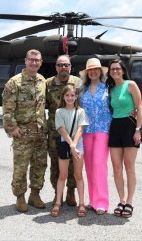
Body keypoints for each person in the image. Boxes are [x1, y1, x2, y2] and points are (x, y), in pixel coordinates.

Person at [2, 49, 47, 213]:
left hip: (40, 133)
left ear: (41, 62)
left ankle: (35, 195)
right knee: (21, 167)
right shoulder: (14, 83)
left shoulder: (42, 81)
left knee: (40, 165)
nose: (34, 63)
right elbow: (7, 110)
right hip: (22, 134)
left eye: (37, 60)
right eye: (31, 60)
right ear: (25, 61)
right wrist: (12, 128)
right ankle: (20, 197)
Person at [106, 59, 142, 218]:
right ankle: (121, 200)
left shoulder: (131, 84)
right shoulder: (111, 89)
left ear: (122, 70)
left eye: (117, 69)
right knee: (116, 167)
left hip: (129, 126)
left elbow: (140, 107)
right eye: (112, 69)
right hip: (115, 127)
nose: (114, 71)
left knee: (129, 166)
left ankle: (130, 201)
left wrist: (138, 129)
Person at [46, 55, 82, 206]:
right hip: (55, 133)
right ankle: (57, 194)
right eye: (60, 65)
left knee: (74, 163)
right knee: (56, 164)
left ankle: (71, 193)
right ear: (56, 67)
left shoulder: (78, 83)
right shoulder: (48, 84)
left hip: (74, 134)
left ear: (70, 66)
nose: (63, 68)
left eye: (66, 65)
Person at [79, 58, 112, 215]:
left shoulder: (107, 88)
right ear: (86, 73)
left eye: (96, 70)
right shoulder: (82, 90)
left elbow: (117, 105)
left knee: (99, 165)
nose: (93, 72)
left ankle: (102, 202)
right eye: (90, 70)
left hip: (103, 130)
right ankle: (92, 200)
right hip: (86, 131)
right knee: (90, 166)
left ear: (100, 72)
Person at [50, 85, 89, 217]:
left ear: (76, 96)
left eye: (73, 95)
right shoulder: (59, 111)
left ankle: (82, 203)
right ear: (63, 97)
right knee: (63, 175)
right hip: (65, 143)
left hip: (78, 145)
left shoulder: (81, 111)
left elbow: (80, 129)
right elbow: (61, 129)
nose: (70, 98)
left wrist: (74, 145)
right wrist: (71, 145)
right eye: (67, 95)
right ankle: (58, 202)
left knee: (78, 175)